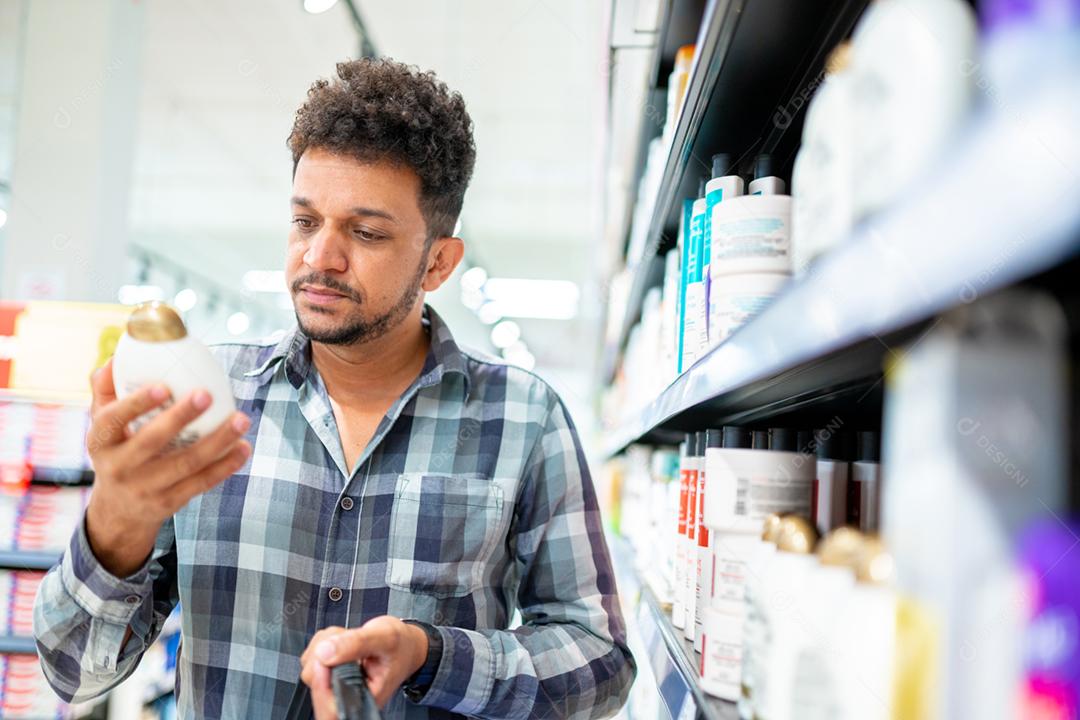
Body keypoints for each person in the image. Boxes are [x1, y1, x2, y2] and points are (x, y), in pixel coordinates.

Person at [33, 57, 635, 719]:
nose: (320, 256)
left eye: (366, 231)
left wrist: (430, 655)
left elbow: (599, 662)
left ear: (437, 262)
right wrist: (116, 523)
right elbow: (71, 672)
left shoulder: (522, 418)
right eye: (304, 221)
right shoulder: (207, 402)